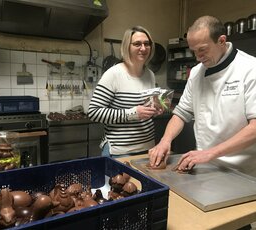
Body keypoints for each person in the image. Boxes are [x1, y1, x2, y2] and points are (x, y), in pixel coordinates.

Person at [149, 15, 256, 172]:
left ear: (221, 41)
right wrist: (166, 140)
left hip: (241, 170)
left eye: (202, 50)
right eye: (194, 51)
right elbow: (181, 113)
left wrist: (211, 153)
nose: (198, 57)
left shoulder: (250, 69)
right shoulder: (197, 73)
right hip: (205, 165)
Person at [88, 26, 163, 157]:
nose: (143, 48)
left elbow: (146, 109)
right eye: (137, 44)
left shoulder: (150, 75)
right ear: (127, 47)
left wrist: (155, 109)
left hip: (148, 148)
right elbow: (94, 112)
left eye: (147, 44)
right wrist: (133, 113)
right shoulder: (114, 74)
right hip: (120, 152)